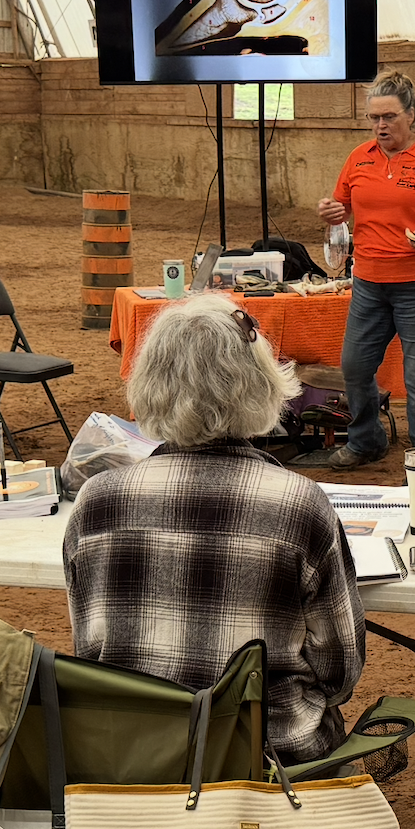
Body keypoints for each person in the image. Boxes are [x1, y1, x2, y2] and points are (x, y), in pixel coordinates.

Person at [63, 294, 365, 765]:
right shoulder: (299, 505)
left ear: (149, 383)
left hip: (133, 763)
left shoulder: (96, 501)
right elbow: (339, 672)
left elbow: (93, 650)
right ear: (260, 383)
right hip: (269, 764)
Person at [313, 69, 415, 469]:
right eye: (373, 118)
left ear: (411, 114)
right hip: (369, 282)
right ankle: (367, 440)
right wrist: (333, 211)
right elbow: (343, 208)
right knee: (354, 365)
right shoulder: (359, 158)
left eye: (388, 117)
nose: (380, 125)